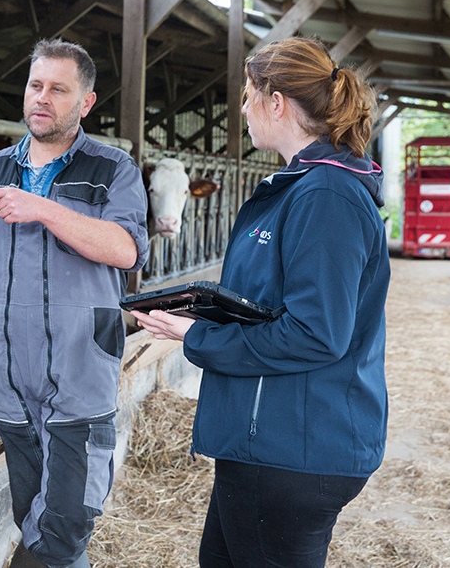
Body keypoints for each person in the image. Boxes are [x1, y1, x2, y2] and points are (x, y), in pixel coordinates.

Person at [132, 36, 390, 568]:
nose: (243, 108)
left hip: (291, 446)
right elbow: (275, 305)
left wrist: (195, 334)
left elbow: (316, 332)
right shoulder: (304, 187)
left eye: (249, 94)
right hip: (271, 439)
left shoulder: (325, 196)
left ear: (278, 102)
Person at [0, 38, 150, 568]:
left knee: (66, 520)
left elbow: (125, 250)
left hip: (80, 368)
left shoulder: (112, 169)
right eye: (36, 85)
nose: (42, 98)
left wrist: (45, 210)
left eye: (59, 89)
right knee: (31, 512)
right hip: (10, 374)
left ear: (86, 103)